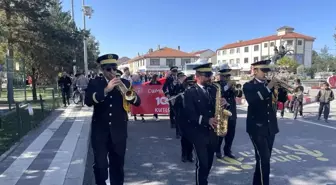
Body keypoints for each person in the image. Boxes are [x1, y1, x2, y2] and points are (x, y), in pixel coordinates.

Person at [85, 54, 141, 185]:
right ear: (102, 70)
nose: (112, 72)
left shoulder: (125, 83)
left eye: (114, 69)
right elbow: (87, 101)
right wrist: (106, 90)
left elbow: (137, 102)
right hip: (100, 132)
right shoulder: (95, 83)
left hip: (119, 131)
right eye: (108, 69)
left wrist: (125, 91)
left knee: (117, 165)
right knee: (100, 165)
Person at [183, 63, 222, 185]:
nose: (210, 78)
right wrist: (207, 120)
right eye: (207, 75)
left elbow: (217, 107)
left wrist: (224, 104)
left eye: (210, 74)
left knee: (209, 163)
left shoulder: (213, 89)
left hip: (212, 132)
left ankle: (204, 181)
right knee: (202, 163)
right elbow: (189, 114)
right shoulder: (190, 92)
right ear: (198, 76)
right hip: (198, 133)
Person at [243, 59, 279, 185]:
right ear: (255, 71)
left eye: (266, 71)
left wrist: (279, 88)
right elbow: (253, 100)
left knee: (262, 159)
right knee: (265, 159)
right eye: (263, 71)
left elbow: (282, 100)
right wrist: (269, 87)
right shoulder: (248, 86)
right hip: (256, 128)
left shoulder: (270, 83)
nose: (265, 74)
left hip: (271, 127)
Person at [215, 68, 237, 159]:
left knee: (231, 134)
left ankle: (227, 150)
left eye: (229, 76)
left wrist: (235, 88)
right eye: (226, 76)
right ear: (221, 76)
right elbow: (220, 93)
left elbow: (238, 94)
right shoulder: (217, 85)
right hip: (222, 112)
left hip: (232, 111)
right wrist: (228, 85)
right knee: (221, 133)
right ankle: (217, 150)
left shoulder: (231, 85)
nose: (228, 78)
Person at [175, 74, 194, 163]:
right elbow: (176, 106)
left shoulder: (196, 93)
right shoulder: (181, 92)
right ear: (186, 84)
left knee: (192, 138)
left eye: (192, 84)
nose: (190, 86)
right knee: (184, 138)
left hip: (193, 118)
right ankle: (184, 155)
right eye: (189, 84)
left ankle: (190, 155)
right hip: (183, 118)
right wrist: (180, 98)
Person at [163, 66, 179, 135]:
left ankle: (177, 123)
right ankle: (172, 122)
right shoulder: (169, 79)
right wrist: (167, 94)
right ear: (171, 72)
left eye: (176, 71)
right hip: (171, 96)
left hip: (178, 95)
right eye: (173, 71)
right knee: (172, 109)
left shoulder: (179, 77)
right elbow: (164, 87)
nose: (175, 73)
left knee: (178, 110)